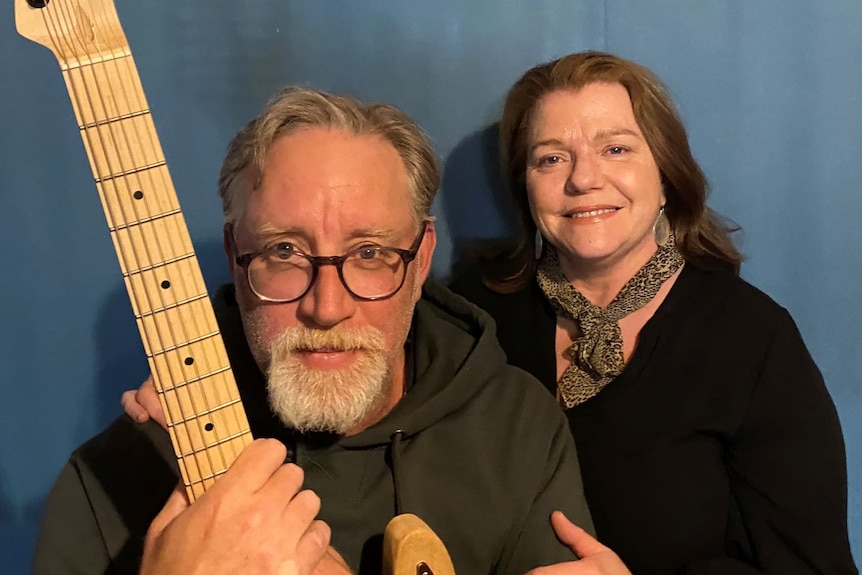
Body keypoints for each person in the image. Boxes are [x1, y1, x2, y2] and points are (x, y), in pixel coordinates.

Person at [31, 87, 614, 575]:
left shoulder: (513, 424)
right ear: (237, 255)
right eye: (285, 251)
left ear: (420, 259)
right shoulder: (112, 479)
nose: (327, 307)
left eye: (369, 252)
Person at [446, 51, 858, 574]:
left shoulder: (751, 342)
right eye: (551, 158)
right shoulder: (468, 321)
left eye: (615, 149)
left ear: (665, 174)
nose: (583, 180)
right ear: (524, 185)